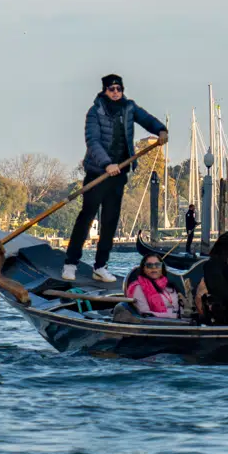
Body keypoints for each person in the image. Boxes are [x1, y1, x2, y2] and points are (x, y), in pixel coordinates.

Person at [62, 74, 168, 282]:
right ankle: (70, 264)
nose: (116, 92)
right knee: (86, 217)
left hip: (119, 173)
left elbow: (146, 119)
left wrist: (161, 130)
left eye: (119, 89)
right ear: (104, 91)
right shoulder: (95, 112)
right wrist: (106, 164)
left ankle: (100, 266)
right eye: (112, 89)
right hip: (97, 173)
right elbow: (92, 141)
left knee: (110, 221)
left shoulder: (129, 107)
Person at [125, 254, 182, 319]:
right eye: (149, 265)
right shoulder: (138, 288)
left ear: (162, 268)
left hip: (182, 321)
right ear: (144, 269)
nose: (154, 268)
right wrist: (173, 316)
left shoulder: (170, 286)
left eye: (157, 265)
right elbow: (146, 313)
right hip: (157, 324)